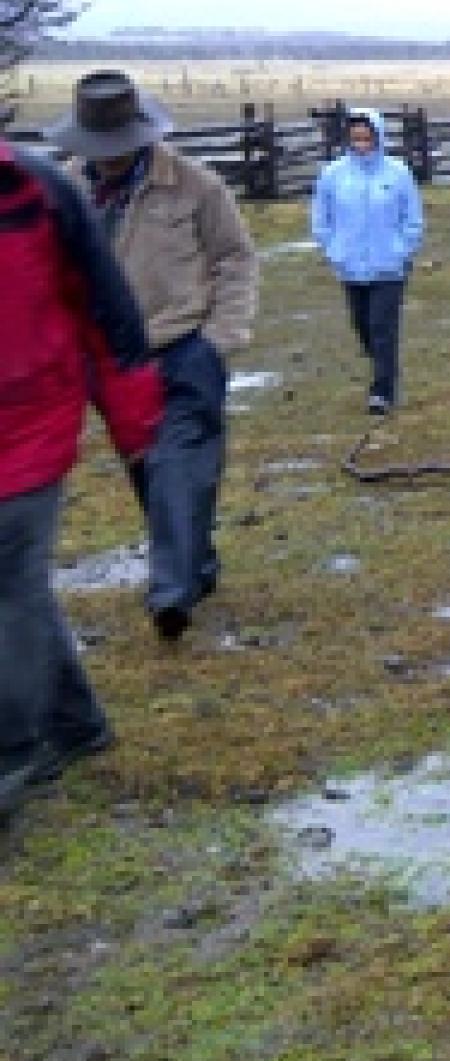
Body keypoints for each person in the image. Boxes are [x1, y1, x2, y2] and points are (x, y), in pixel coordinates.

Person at [48, 70, 259, 642]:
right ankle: (196, 565)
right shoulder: (66, 191)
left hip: (186, 345)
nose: (111, 158)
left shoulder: (195, 186)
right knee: (148, 469)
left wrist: (220, 338)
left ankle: (170, 593)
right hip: (112, 362)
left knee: (180, 464)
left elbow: (235, 260)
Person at [0, 136, 159, 822]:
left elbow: (108, 314)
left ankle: (14, 746)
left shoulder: (35, 190)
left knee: (9, 579)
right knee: (16, 582)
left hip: (30, 421)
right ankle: (74, 721)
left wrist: (142, 439)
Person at [311, 107, 425, 416]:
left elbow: (412, 219)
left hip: (388, 266)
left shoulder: (397, 173)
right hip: (350, 266)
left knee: (382, 327)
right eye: (356, 138)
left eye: (366, 137)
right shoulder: (333, 175)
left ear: (378, 136)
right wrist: (333, 249)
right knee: (362, 326)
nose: (361, 143)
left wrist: (401, 250)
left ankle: (383, 391)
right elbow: (322, 217)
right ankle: (383, 370)